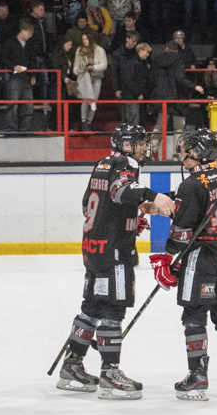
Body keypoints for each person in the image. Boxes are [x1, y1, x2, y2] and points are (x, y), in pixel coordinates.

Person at [54, 123, 171, 399]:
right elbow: (121, 190)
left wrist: (128, 219)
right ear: (127, 144)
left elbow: (89, 204)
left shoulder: (103, 163)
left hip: (94, 246)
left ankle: (72, 365)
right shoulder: (126, 163)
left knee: (92, 307)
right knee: (113, 309)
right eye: (140, 142)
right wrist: (152, 195)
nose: (145, 147)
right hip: (114, 251)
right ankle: (110, 373)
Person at [160, 128, 217, 400]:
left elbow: (182, 232)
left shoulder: (192, 184)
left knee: (194, 314)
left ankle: (197, 376)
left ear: (198, 152)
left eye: (187, 147)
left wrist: (168, 256)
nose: (182, 152)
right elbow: (197, 201)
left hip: (202, 258)